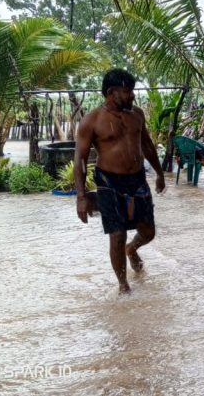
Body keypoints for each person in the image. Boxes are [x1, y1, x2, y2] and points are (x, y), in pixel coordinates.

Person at [74, 69, 166, 293]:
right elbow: (80, 160)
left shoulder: (137, 114)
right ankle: (123, 286)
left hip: (137, 180)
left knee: (149, 232)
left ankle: (132, 249)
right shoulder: (92, 120)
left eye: (132, 90)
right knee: (116, 235)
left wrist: (160, 172)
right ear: (111, 92)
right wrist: (81, 197)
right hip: (109, 182)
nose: (132, 95)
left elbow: (147, 145)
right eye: (127, 91)